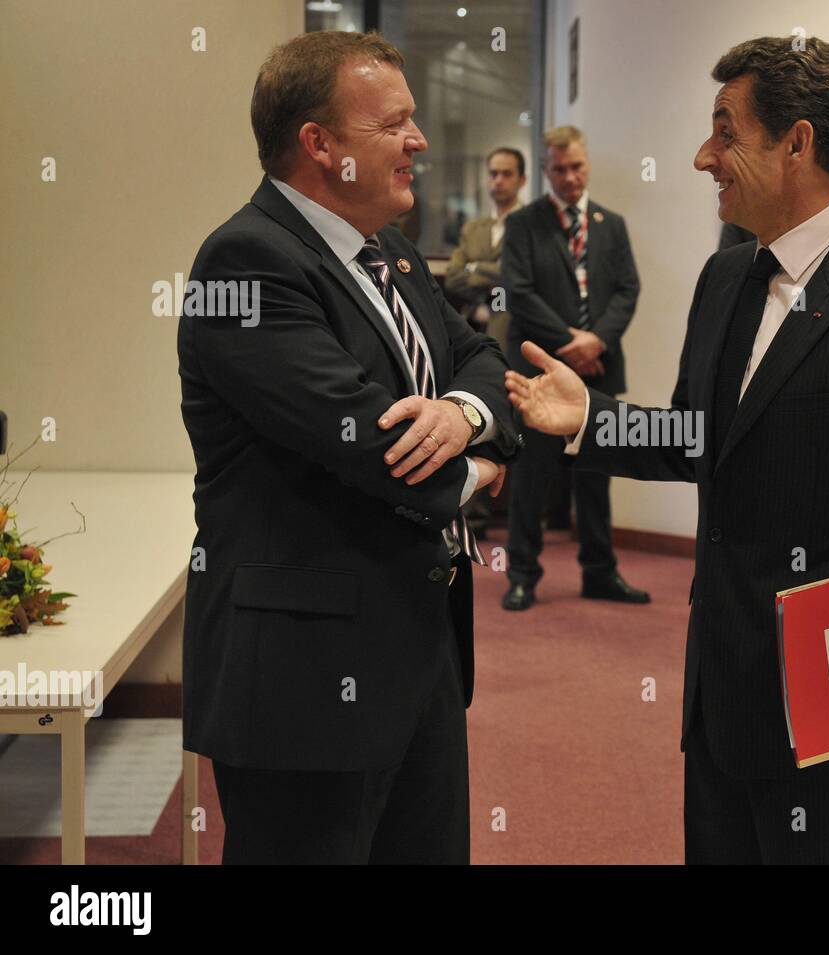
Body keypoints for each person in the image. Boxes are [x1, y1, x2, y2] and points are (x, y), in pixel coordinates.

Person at [505, 37, 829, 864]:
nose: (702, 157)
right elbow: (698, 438)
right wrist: (591, 420)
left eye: (725, 132)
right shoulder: (724, 277)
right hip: (722, 682)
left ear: (796, 143)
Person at [177, 30, 518, 864]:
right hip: (304, 678)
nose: (420, 141)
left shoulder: (390, 250)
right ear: (319, 145)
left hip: (419, 652)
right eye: (394, 123)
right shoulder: (244, 262)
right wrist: (483, 465)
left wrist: (468, 414)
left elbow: (479, 357)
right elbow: (368, 439)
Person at [499, 125, 649, 611]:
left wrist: (598, 339)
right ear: (545, 170)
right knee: (532, 479)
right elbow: (518, 294)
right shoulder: (524, 223)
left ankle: (600, 572)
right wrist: (569, 342)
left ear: (588, 164)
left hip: (601, 367)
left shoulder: (612, 224)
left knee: (597, 476)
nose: (570, 176)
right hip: (543, 372)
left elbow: (628, 289)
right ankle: (521, 574)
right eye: (559, 168)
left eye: (577, 166)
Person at [445, 146, 527, 350]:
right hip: (474, 329)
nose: (498, 180)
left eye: (507, 174)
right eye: (493, 173)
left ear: (522, 180)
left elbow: (518, 276)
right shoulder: (472, 228)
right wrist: (492, 276)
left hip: (518, 333)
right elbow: (453, 278)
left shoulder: (534, 226)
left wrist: (473, 267)